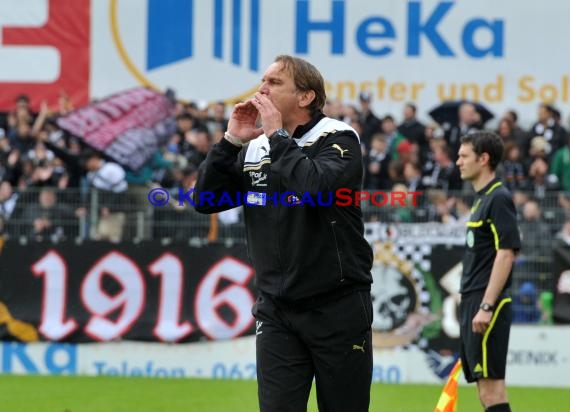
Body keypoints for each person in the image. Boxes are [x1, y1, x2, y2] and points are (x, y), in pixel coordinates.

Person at [194, 55, 374, 412]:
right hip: (277, 310)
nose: (262, 89)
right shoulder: (255, 147)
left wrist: (277, 136)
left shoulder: (337, 137)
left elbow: (315, 189)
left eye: (275, 82)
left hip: (337, 306)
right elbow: (205, 199)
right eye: (262, 80)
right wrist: (230, 141)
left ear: (305, 96)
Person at [455, 131, 521, 412]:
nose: (458, 161)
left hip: (486, 302)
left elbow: (506, 253)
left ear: (484, 159)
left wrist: (486, 305)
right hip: (475, 300)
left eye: (464, 156)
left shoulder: (498, 198)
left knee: (492, 392)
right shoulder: (481, 199)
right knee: (487, 392)